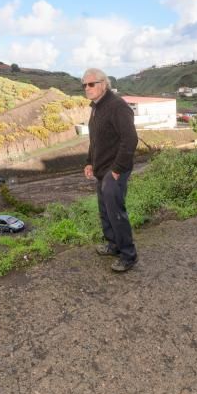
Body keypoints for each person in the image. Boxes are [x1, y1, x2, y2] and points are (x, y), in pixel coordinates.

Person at [82, 68, 139, 272]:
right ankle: (113, 245)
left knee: (116, 213)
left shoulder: (117, 106)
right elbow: (96, 139)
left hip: (115, 170)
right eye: (84, 85)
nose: (87, 88)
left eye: (91, 84)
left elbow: (130, 140)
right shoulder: (96, 107)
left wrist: (116, 170)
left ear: (103, 84)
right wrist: (90, 162)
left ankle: (128, 255)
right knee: (105, 211)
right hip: (102, 169)